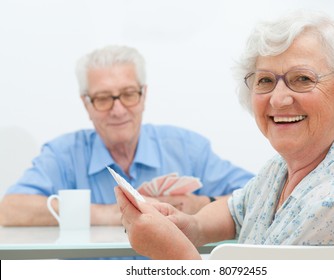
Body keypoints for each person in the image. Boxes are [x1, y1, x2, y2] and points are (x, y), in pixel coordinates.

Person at [114, 11, 334, 260]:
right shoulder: (290, 165)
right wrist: (191, 227)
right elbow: (238, 211)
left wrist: (173, 253)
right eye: (265, 81)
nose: (279, 99)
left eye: (303, 79)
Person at [0, 45, 254, 227]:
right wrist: (109, 214)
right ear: (86, 104)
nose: (118, 109)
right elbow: (9, 210)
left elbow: (258, 196)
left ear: (143, 95)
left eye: (129, 94)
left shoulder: (187, 148)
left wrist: (201, 205)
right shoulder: (64, 154)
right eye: (102, 98)